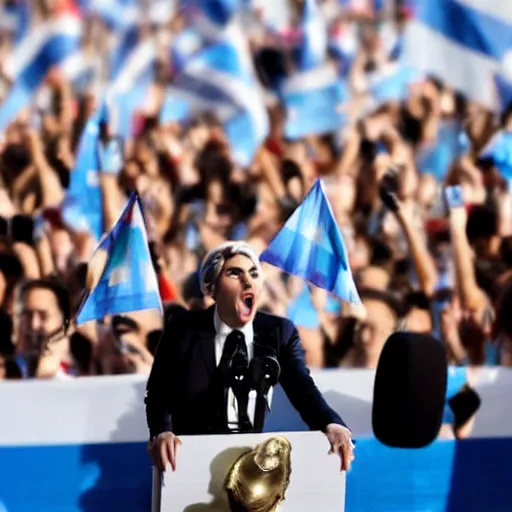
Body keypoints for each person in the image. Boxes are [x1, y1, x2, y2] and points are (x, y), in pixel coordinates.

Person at [145, 242, 355, 472]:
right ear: (211, 288)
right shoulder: (182, 330)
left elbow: (303, 389)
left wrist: (331, 423)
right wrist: (162, 432)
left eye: (253, 273)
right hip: (187, 460)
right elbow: (158, 392)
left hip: (248, 464)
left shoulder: (279, 332)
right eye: (234, 273)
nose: (247, 281)